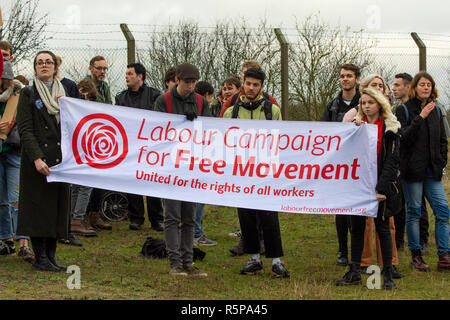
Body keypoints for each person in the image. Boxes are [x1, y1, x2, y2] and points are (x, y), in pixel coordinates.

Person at [223, 68, 289, 278]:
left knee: (269, 216)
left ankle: (277, 261)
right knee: (246, 216)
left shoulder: (272, 111)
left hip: (266, 172)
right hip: (241, 172)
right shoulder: (230, 112)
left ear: (262, 87)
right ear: (243, 83)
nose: (251, 88)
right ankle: (254, 259)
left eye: (256, 85)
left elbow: (281, 140)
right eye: (248, 83)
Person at [336, 87, 401, 290]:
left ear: (379, 104)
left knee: (382, 228)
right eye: (363, 103)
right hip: (359, 185)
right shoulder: (358, 126)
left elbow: (392, 160)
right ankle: (355, 271)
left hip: (381, 186)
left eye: (370, 103)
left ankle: (388, 274)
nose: (366, 106)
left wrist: (381, 188)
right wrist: (353, 129)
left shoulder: (391, 128)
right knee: (356, 228)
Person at [154, 62, 210, 277]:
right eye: (187, 82)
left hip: (192, 167)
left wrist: (198, 126)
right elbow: (156, 130)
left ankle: (188, 262)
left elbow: (211, 129)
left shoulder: (200, 101)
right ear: (177, 80)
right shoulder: (164, 100)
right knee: (172, 216)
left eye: (194, 82)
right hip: (170, 167)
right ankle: (175, 262)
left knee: (189, 216)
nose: (191, 86)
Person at [16, 50, 70, 272]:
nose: (44, 65)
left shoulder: (65, 93)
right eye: (40, 63)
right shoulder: (28, 94)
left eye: (48, 62)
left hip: (61, 160)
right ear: (35, 68)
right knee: (39, 209)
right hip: (37, 161)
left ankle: (51, 255)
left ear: (55, 67)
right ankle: (40, 258)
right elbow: (25, 129)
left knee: (56, 208)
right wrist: (37, 158)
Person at [395, 71, 450, 272]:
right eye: (422, 84)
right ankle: (416, 256)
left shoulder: (436, 110)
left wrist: (442, 160)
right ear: (414, 87)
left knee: (443, 212)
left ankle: (444, 255)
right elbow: (403, 138)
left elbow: (442, 139)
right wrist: (421, 117)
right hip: (412, 173)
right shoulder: (404, 111)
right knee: (415, 212)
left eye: (429, 84)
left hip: (432, 171)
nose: (426, 87)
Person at [115, 62, 164, 232]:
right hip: (131, 147)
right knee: (132, 182)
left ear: (140, 76)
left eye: (130, 73)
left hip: (151, 147)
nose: (126, 76)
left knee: (152, 182)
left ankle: (157, 219)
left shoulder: (155, 95)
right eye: (126, 73)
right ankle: (136, 218)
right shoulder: (120, 98)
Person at [323, 63, 361, 266]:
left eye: (349, 76)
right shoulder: (332, 105)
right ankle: (342, 250)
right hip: (339, 165)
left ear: (357, 79)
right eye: (342, 76)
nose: (345, 79)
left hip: (360, 164)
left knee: (356, 210)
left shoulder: (365, 102)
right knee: (341, 211)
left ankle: (358, 251)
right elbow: (323, 133)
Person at [0, 59, 34, 263]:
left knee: (16, 198)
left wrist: (10, 128)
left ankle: (24, 242)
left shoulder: (18, 95)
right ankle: (5, 239)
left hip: (13, 150)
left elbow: (26, 123)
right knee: (1, 201)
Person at [392, 72, 430, 252]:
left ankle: (422, 240)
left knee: (418, 205)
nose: (394, 89)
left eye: (398, 85)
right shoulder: (399, 109)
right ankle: (399, 240)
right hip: (402, 165)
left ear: (408, 87)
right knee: (400, 205)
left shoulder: (424, 109)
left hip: (419, 166)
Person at [85, 56, 112, 230]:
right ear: (91, 68)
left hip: (103, 136)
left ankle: (96, 213)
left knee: (101, 177)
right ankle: (84, 215)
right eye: (99, 68)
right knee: (87, 178)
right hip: (88, 136)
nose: (102, 72)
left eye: (104, 69)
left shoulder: (106, 87)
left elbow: (108, 106)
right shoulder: (85, 85)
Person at [193, 80, 217, 246]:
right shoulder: (202, 109)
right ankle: (196, 233)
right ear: (208, 95)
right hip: (199, 160)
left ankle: (193, 231)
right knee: (198, 199)